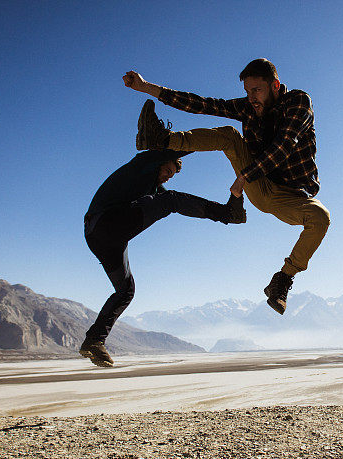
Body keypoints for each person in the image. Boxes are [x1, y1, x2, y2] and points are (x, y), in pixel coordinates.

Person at [124, 58, 330, 315]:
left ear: (275, 85)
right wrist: (146, 87)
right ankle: (163, 139)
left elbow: (285, 144)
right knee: (230, 136)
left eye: (257, 90)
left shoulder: (298, 103)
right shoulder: (247, 107)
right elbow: (202, 104)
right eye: (247, 91)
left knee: (320, 217)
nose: (251, 97)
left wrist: (245, 176)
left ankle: (282, 281)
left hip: (291, 197)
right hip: (262, 189)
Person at [80, 149, 246, 367]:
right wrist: (209, 141)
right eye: (167, 170)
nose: (168, 176)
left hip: (102, 239)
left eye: (172, 174)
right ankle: (228, 214)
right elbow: (171, 171)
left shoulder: (154, 189)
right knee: (171, 200)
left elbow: (176, 202)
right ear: (157, 163)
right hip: (105, 223)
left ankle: (94, 341)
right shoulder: (141, 167)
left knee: (126, 290)